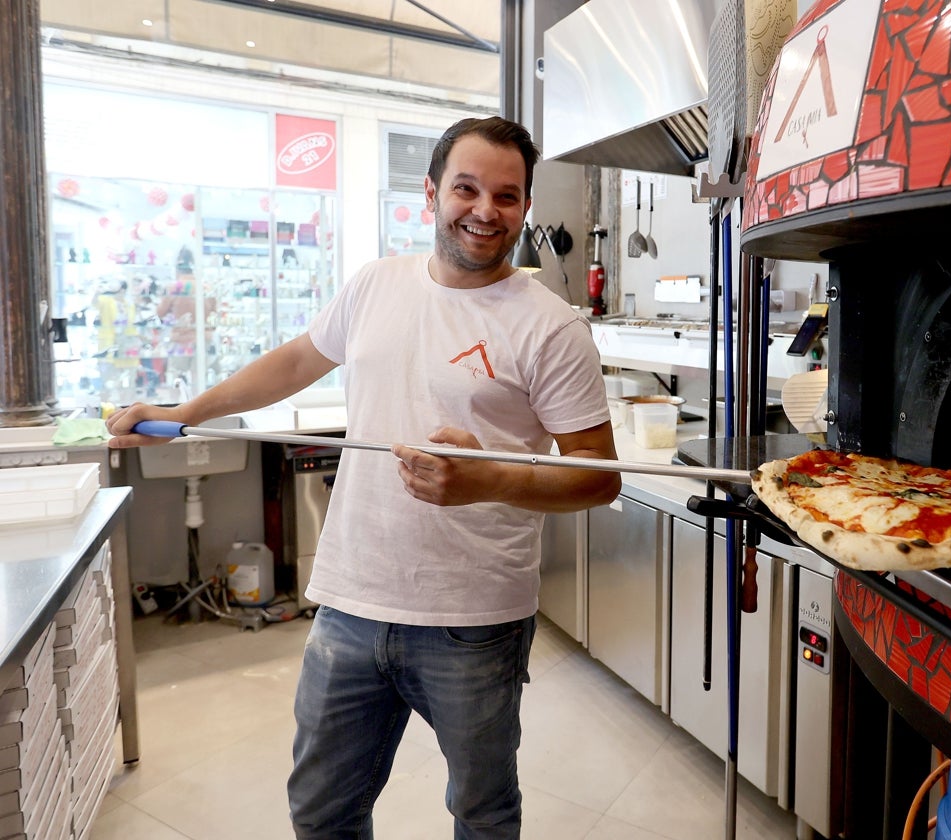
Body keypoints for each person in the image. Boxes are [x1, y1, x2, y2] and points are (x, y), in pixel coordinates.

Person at [106, 116, 621, 839]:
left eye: (507, 196)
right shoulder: (376, 283)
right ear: (431, 190)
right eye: (466, 188)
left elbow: (599, 479)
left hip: (474, 619)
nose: (484, 211)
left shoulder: (551, 326)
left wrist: (485, 481)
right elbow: (294, 362)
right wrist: (188, 410)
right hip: (351, 603)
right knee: (322, 810)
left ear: (525, 207)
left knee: (482, 812)